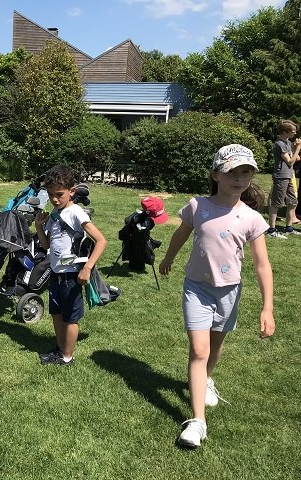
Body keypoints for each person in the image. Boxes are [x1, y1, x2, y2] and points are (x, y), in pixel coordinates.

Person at [159, 144, 275, 448]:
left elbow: (262, 265)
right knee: (199, 351)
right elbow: (181, 233)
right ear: (215, 175)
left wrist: (267, 308)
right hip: (196, 288)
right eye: (232, 172)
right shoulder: (198, 206)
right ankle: (197, 423)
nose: (239, 178)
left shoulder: (251, 218)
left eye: (245, 172)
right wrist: (168, 257)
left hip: (229, 291)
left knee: (214, 346)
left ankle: (207, 379)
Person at [34, 165, 107, 365]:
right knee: (57, 313)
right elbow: (46, 244)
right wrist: (39, 226)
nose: (55, 199)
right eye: (50, 195)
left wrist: (87, 267)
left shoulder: (76, 213)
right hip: (56, 273)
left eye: (59, 194)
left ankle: (67, 357)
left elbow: (101, 241)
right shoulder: (55, 214)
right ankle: (60, 349)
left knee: (70, 318)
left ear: (72, 191)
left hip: (71, 276)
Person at [267, 120, 301, 238]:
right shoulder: (279, 144)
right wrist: (297, 149)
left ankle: (289, 228)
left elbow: (296, 159)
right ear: (285, 131)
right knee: (276, 203)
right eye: (293, 131)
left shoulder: (288, 143)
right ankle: (271, 230)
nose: (295, 134)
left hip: (288, 175)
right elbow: (289, 161)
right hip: (281, 176)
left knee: (292, 202)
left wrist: (296, 147)